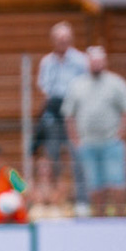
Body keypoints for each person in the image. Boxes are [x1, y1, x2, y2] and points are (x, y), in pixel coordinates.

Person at [62, 45, 126, 218]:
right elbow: (69, 115)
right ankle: (99, 221)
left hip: (111, 143)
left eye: (99, 61)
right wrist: (76, 140)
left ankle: (121, 219)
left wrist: (121, 135)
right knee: (95, 186)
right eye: (92, 61)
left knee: (117, 183)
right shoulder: (77, 85)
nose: (96, 65)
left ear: (104, 62)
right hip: (88, 144)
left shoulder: (116, 83)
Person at [34, 22, 90, 212]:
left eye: (65, 39)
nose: (62, 43)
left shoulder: (81, 60)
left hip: (74, 114)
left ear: (71, 40)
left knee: (78, 158)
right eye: (59, 40)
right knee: (53, 157)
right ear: (53, 41)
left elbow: (86, 87)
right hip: (54, 115)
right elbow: (44, 90)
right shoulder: (47, 62)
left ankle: (82, 201)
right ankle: (54, 199)